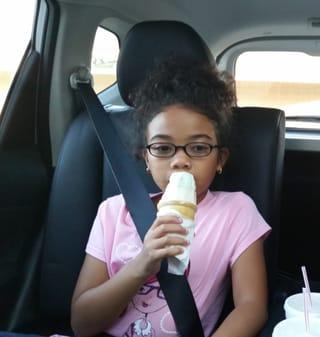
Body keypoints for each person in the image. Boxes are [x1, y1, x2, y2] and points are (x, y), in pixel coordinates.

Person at [71, 57, 270, 337]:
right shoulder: (113, 212)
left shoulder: (236, 211)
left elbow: (251, 307)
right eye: (163, 149)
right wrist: (143, 264)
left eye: (198, 148)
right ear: (146, 158)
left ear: (220, 159)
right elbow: (81, 323)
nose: (180, 161)